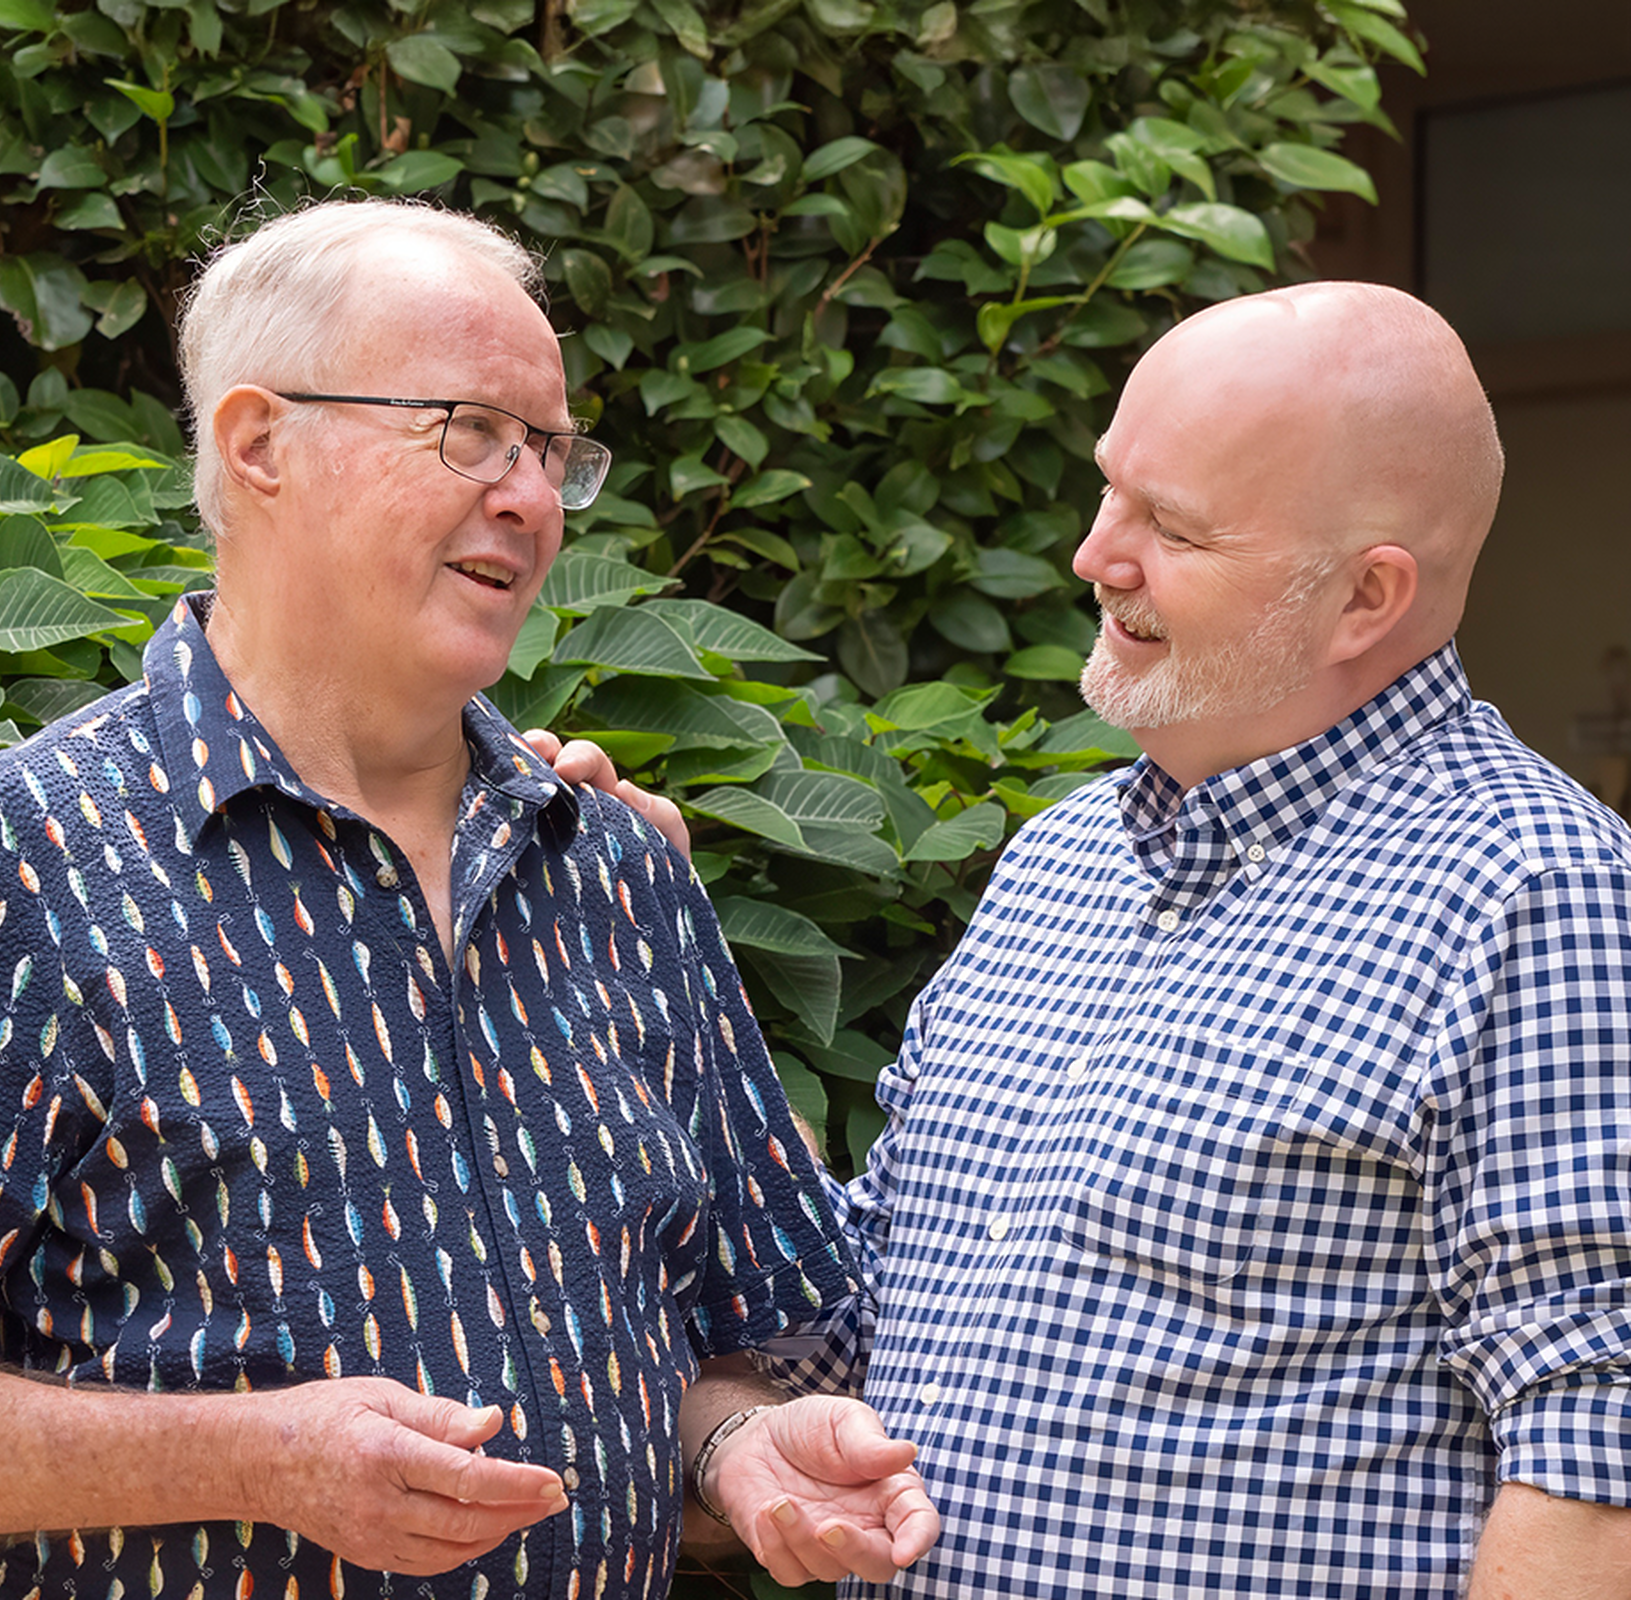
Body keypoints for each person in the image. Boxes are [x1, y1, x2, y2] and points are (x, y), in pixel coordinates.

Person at [0, 200, 941, 1600]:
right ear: (260, 446)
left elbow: (748, 1333)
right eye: (469, 430)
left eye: (552, 451)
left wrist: (736, 1446)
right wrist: (257, 1460)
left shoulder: (617, 872)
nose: (532, 497)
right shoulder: (25, 861)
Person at [552, 281, 1631, 1596]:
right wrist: (651, 955)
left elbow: (1593, 1451)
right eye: (1112, 488)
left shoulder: (1538, 890)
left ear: (1366, 599)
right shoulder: (1059, 860)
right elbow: (857, 1300)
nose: (1093, 554)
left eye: (1171, 527)